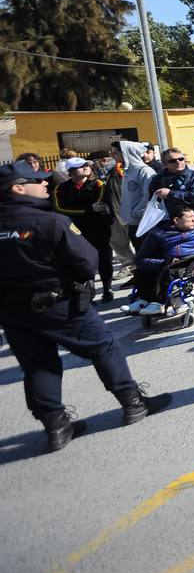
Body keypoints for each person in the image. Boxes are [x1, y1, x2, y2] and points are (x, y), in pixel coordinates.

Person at [0, 160, 170, 453]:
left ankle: (56, 427)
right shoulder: (51, 221)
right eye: (36, 181)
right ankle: (133, 403)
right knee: (104, 347)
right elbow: (86, 261)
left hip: (12, 310)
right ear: (17, 189)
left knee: (38, 364)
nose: (44, 184)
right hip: (59, 302)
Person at [124, 202, 194, 316]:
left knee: (166, 269)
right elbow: (140, 258)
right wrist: (163, 261)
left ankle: (159, 302)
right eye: (189, 217)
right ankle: (142, 300)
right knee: (142, 268)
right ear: (176, 220)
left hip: (193, 260)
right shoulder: (159, 233)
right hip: (171, 261)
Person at [53, 157, 116, 303]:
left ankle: (107, 289)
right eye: (81, 166)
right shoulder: (61, 188)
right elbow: (60, 208)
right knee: (82, 261)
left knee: (104, 259)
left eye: (86, 165)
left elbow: (98, 204)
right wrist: (87, 209)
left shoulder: (98, 184)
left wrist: (80, 208)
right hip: (76, 230)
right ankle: (88, 292)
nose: (86, 167)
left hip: (99, 227)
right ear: (71, 172)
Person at [114, 140, 156, 248]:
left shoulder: (145, 171)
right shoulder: (127, 171)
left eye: (116, 153)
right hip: (133, 223)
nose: (113, 156)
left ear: (126, 153)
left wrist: (137, 212)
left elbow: (150, 196)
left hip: (144, 223)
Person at [150, 147, 194, 222]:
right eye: (172, 161)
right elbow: (152, 201)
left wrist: (170, 194)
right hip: (168, 220)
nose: (178, 162)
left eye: (181, 159)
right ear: (165, 164)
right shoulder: (158, 179)